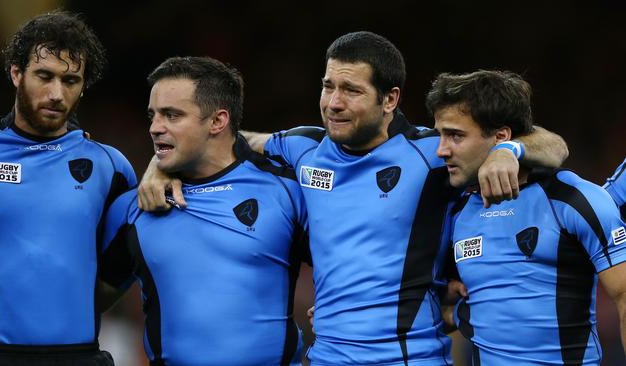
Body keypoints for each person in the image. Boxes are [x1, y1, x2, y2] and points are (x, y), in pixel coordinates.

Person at [139, 32, 568, 365]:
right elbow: (222, 143)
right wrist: (161, 163)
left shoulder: (432, 153)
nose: (334, 103)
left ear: (390, 99)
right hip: (325, 356)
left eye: (351, 90)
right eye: (328, 86)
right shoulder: (303, 147)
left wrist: (507, 150)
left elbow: (553, 146)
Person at [99, 56, 309, 365]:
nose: (156, 128)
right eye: (153, 115)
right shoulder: (134, 207)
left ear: (217, 121)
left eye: (172, 115)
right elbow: (87, 303)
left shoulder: (286, 189)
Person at [429, 70, 626, 365]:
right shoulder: (456, 211)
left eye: (455, 135)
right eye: (441, 134)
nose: (441, 150)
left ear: (500, 137)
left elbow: (623, 296)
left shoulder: (571, 200)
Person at [0, 11, 136, 366]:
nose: (56, 94)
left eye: (71, 80)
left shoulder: (112, 168)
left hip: (78, 357)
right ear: (17, 73)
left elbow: (122, 264)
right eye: (44, 76)